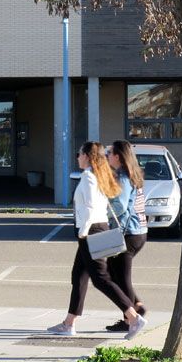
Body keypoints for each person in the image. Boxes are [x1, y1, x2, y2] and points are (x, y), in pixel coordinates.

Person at [48, 141, 147, 340]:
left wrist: (83, 233)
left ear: (87, 156)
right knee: (79, 275)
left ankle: (134, 317)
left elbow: (92, 208)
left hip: (91, 230)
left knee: (101, 278)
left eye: (79, 153)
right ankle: (69, 323)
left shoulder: (89, 177)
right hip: (94, 229)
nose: (77, 157)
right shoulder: (98, 175)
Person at [105, 140, 148, 332]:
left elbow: (120, 206)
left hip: (128, 233)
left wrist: (102, 212)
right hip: (137, 232)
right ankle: (137, 307)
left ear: (118, 156)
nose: (107, 156)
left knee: (120, 278)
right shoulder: (131, 174)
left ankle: (131, 318)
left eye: (109, 153)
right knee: (115, 273)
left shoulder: (123, 177)